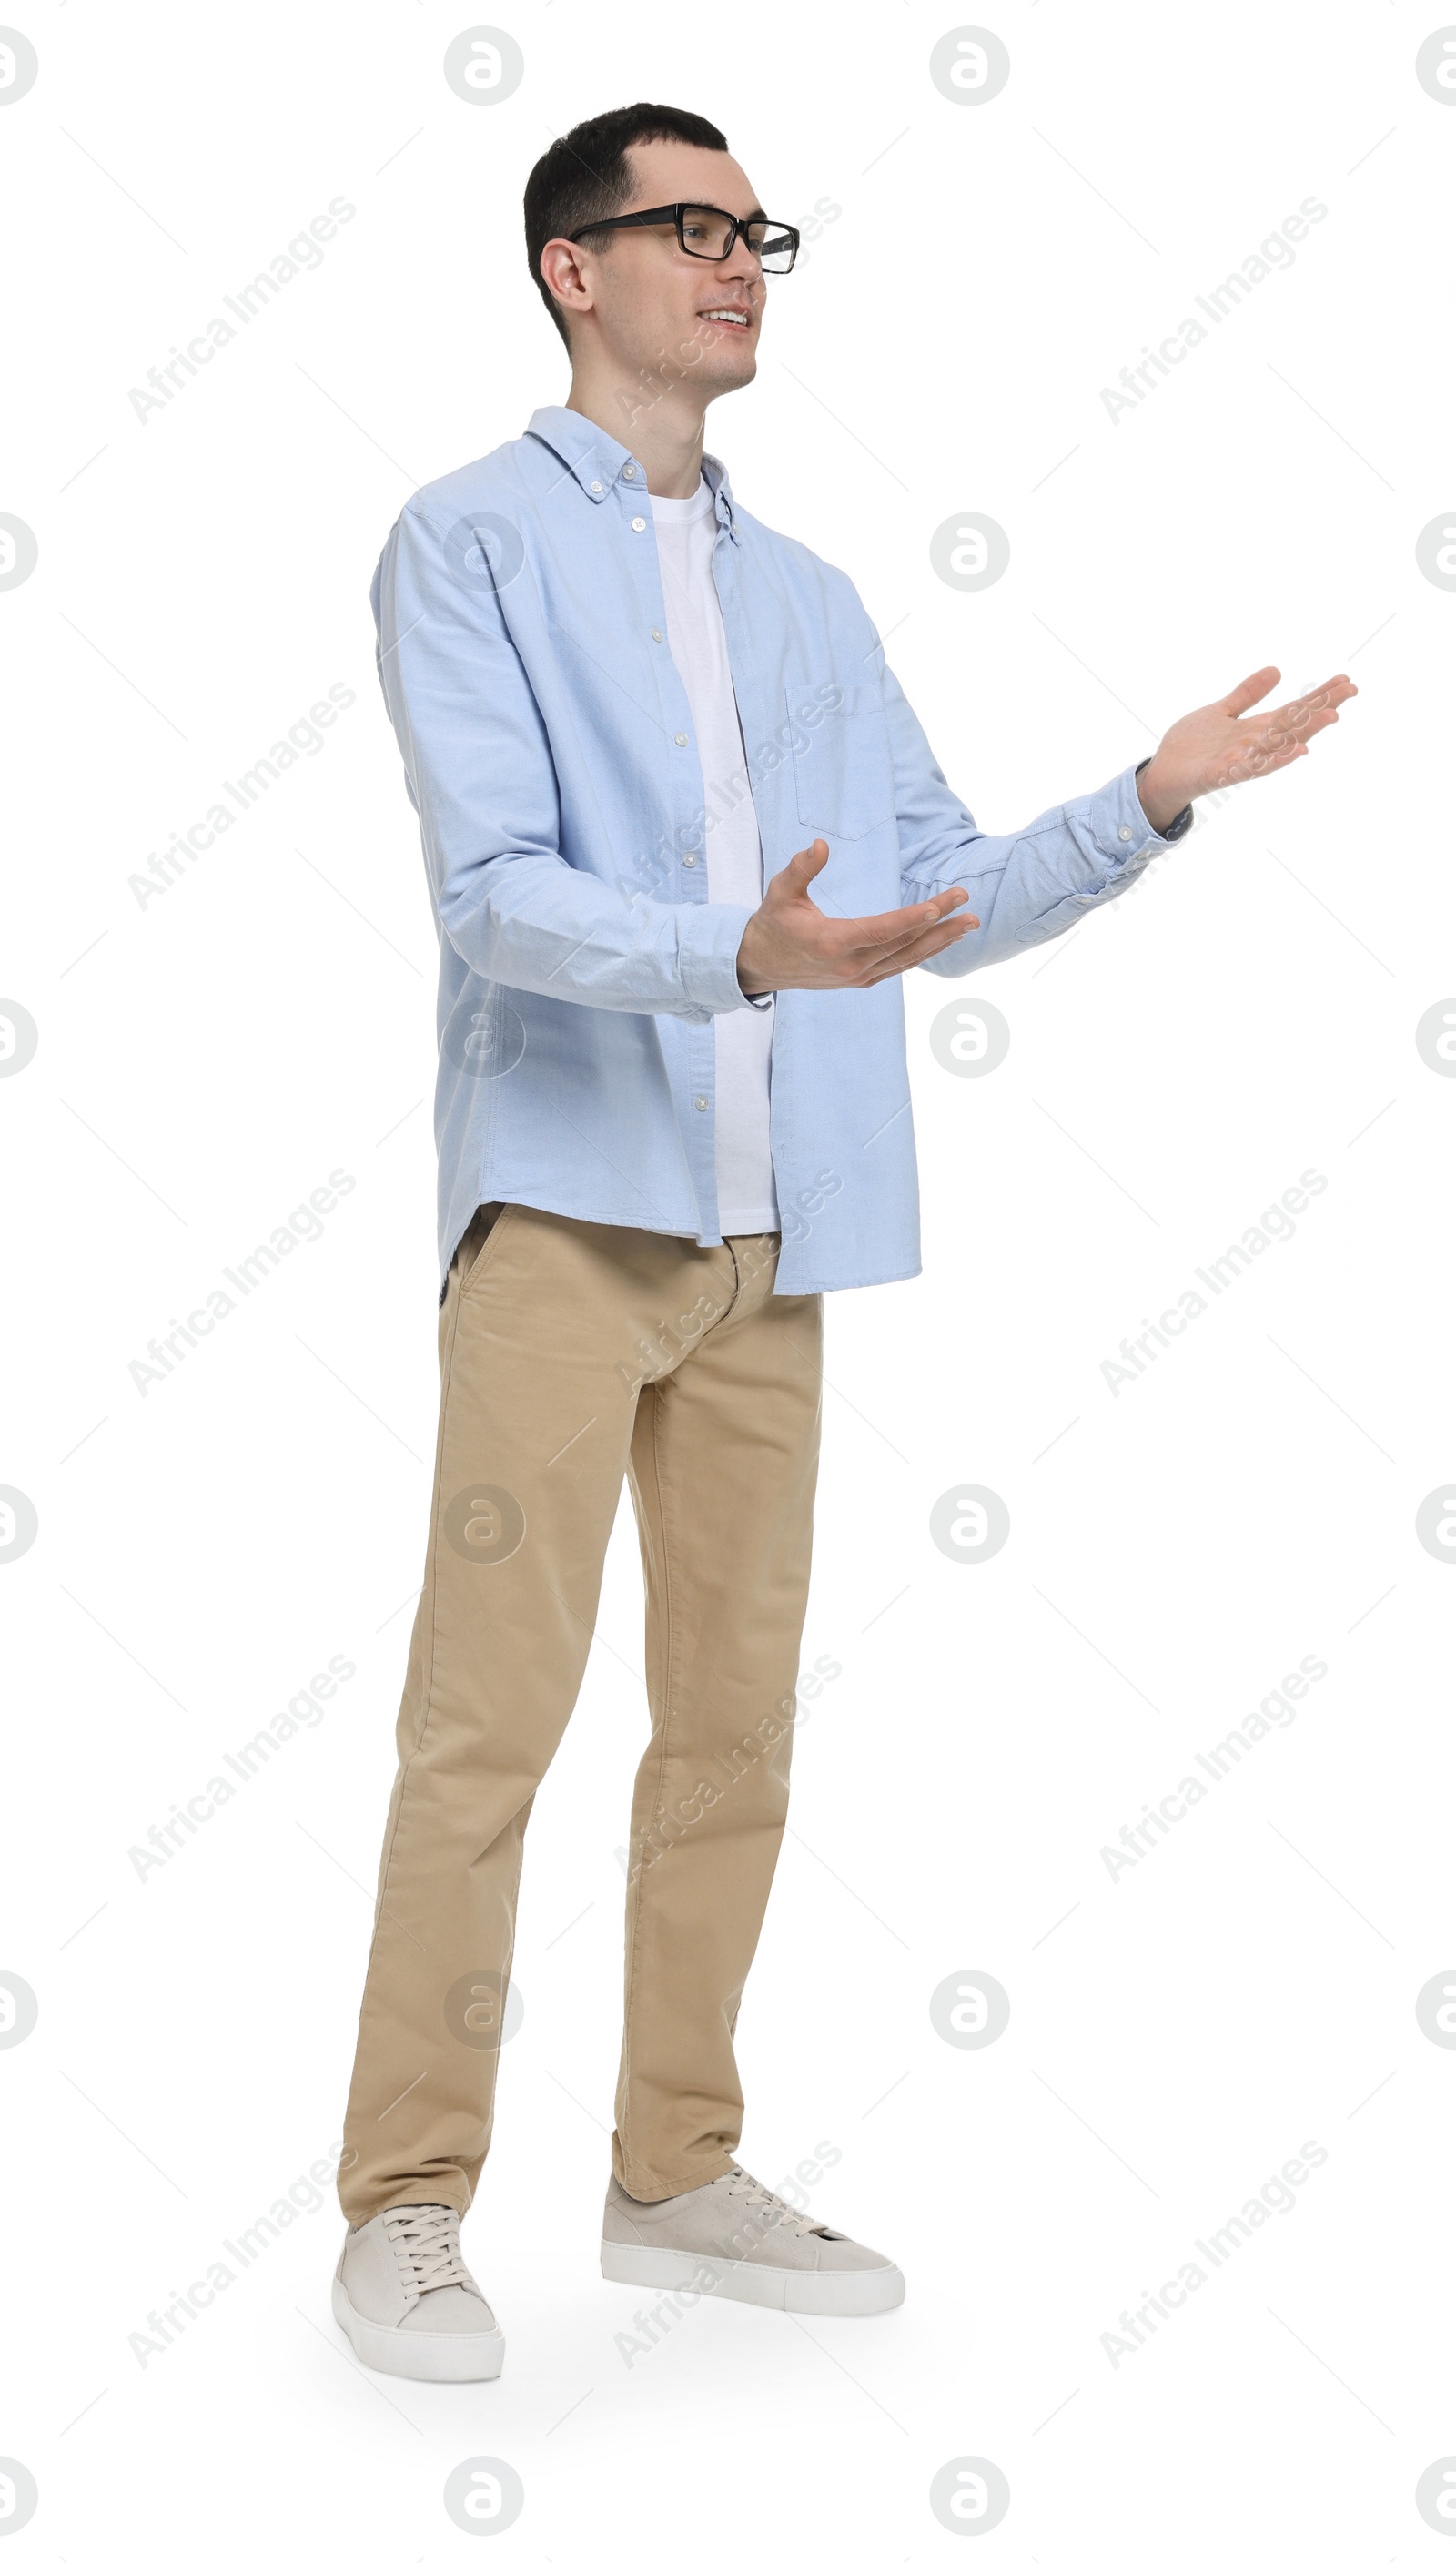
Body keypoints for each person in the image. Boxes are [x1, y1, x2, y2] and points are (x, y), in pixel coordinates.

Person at [330, 101, 1356, 2383]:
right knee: (482, 1727)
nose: (735, 260)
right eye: (683, 227)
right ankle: (403, 2202)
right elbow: (495, 895)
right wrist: (742, 956)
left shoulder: (809, 597)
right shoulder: (468, 540)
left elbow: (927, 901)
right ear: (566, 270)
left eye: (753, 229)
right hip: (566, 1218)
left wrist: (1147, 796)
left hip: (772, 1236)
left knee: (733, 1732)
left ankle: (670, 2166)